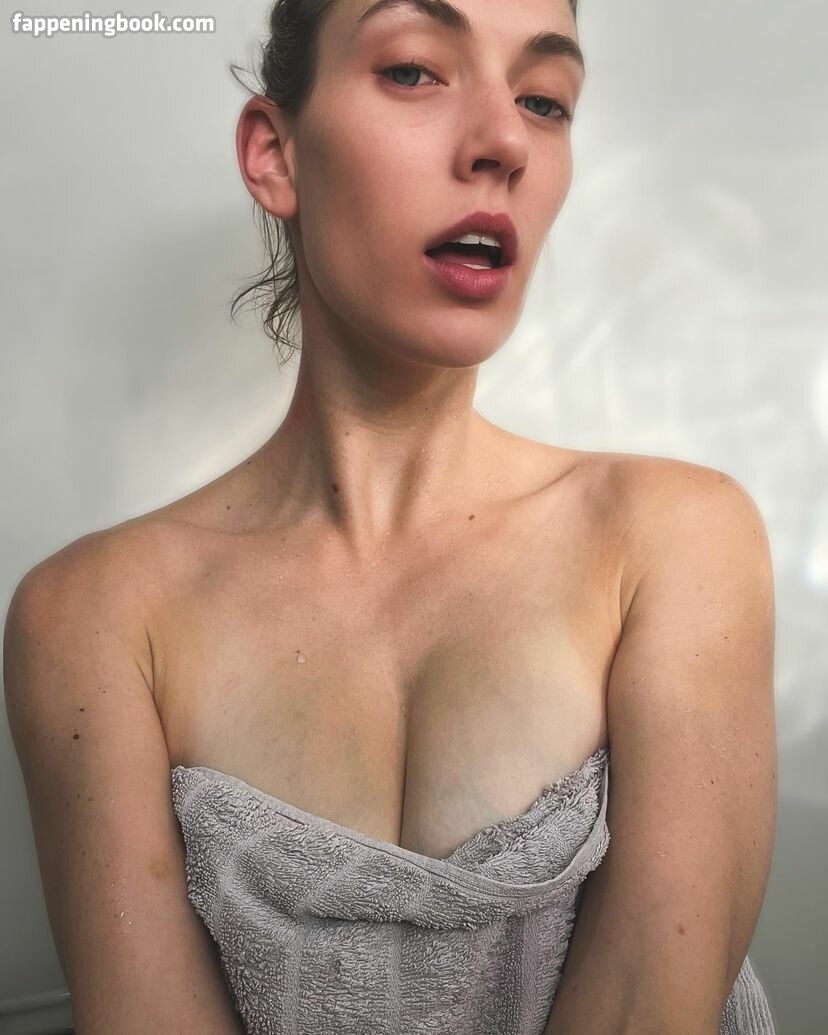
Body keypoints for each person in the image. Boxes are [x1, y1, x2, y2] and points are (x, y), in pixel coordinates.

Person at [4, 1, 779, 1032]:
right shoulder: (92, 616)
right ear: (276, 154)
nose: (505, 142)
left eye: (544, 100)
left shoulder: (676, 539)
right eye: (415, 70)